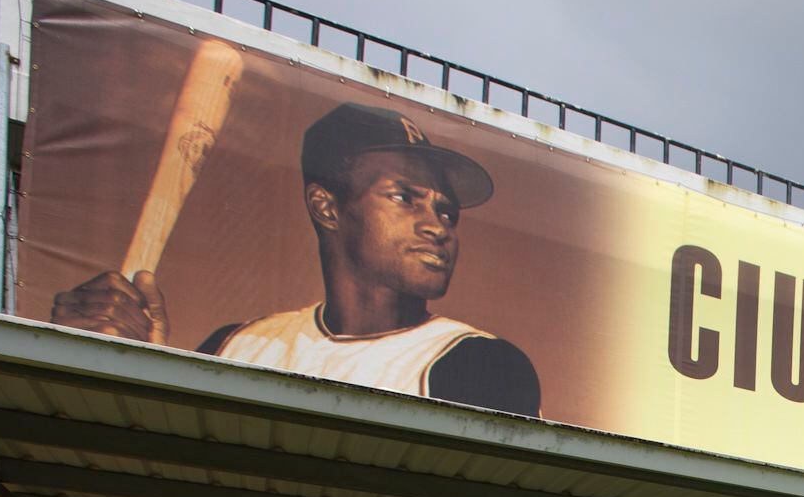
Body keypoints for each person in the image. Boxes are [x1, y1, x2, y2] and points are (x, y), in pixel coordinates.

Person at [50, 102, 540, 417]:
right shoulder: (236, 346)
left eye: (446, 210)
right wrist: (138, 374)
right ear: (326, 206)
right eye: (405, 197)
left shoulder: (480, 364)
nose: (438, 226)